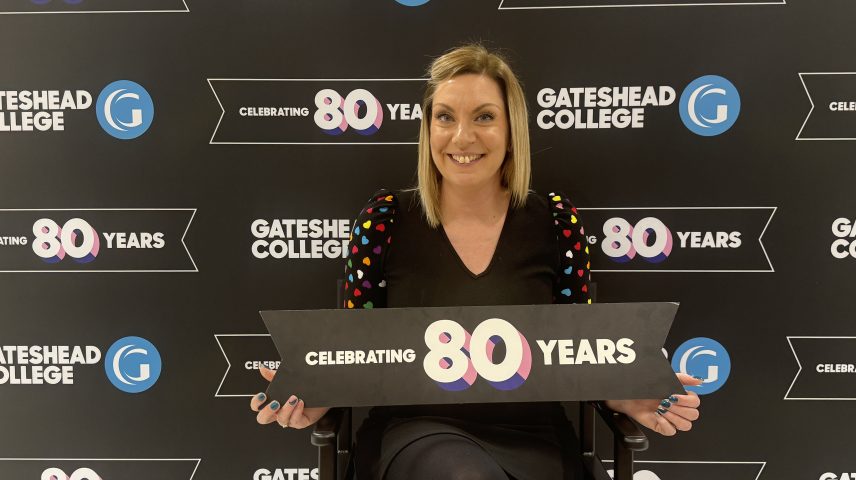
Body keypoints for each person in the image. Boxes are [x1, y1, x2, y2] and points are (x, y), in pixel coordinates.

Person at [250, 44, 702, 480]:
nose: (462, 137)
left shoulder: (556, 221)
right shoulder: (384, 220)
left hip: (536, 441)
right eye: (445, 117)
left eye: (484, 117)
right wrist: (315, 397)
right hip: (411, 437)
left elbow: (580, 354)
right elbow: (353, 356)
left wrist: (625, 396)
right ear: (428, 128)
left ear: (512, 130)